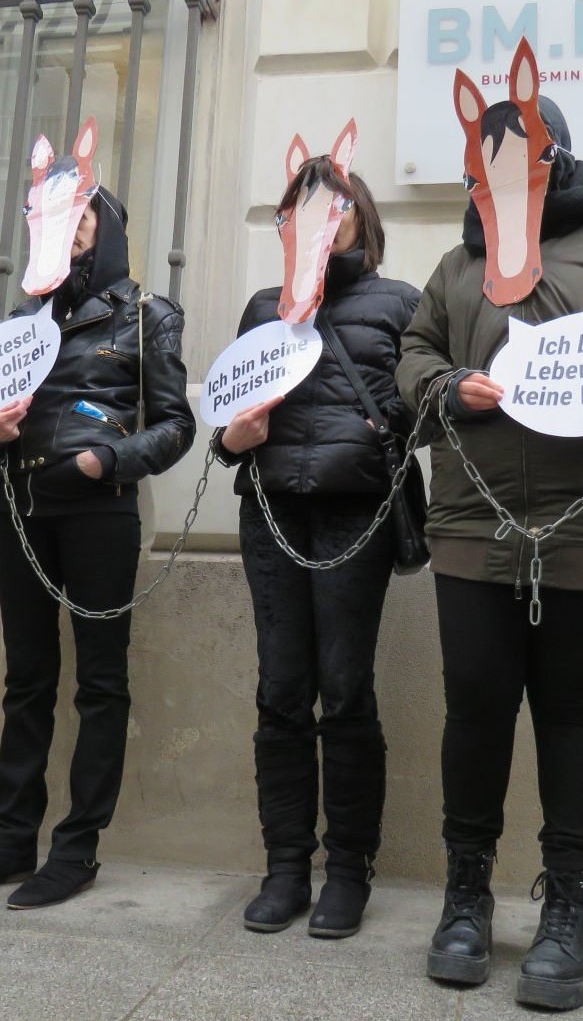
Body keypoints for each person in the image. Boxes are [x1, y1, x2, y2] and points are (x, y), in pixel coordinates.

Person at [396, 96, 583, 1009]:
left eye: (519, 158)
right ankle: (464, 898)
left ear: (556, 157)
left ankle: (567, 910)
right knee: (475, 707)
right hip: (473, 521)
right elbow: (413, 352)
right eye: (484, 165)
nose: (501, 177)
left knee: (570, 710)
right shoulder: (457, 263)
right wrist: (449, 386)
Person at [215, 158, 419, 937]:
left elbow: (424, 406)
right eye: (299, 212)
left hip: (353, 514)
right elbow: (229, 420)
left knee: (344, 688)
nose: (317, 225)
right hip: (272, 515)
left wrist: (382, 432)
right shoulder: (261, 307)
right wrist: (230, 440)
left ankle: (348, 871)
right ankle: (285, 867)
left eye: (333, 211)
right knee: (280, 689)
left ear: (360, 218)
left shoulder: (398, 303)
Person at [0, 188, 195, 909]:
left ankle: (77, 847)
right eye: (55, 219)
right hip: (19, 508)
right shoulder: (21, 323)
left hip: (98, 511)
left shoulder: (147, 314)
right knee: (26, 680)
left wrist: (105, 461)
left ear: (106, 227)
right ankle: (13, 837)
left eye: (80, 216)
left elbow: (176, 425)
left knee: (100, 682)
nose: (68, 230)